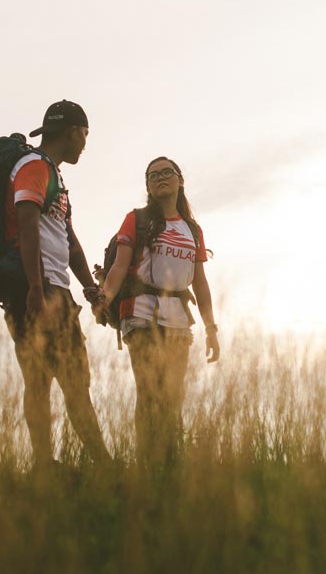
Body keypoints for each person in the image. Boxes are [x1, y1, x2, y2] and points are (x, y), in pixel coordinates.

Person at [2, 99, 111, 468]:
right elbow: (27, 221)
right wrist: (36, 288)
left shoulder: (54, 176)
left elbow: (68, 238)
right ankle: (90, 464)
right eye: (85, 135)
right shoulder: (33, 167)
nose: (85, 143)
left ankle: (53, 465)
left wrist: (88, 287)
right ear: (72, 132)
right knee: (60, 380)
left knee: (60, 380)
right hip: (39, 290)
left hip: (52, 288)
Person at [96, 156, 220, 470]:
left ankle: (168, 464)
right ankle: (148, 465)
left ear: (180, 180)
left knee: (173, 396)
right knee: (150, 392)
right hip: (140, 314)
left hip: (179, 320)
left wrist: (211, 329)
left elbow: (200, 283)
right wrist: (103, 300)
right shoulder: (136, 220)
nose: (160, 178)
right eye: (153, 175)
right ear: (148, 186)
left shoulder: (193, 230)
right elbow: (120, 268)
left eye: (167, 172)